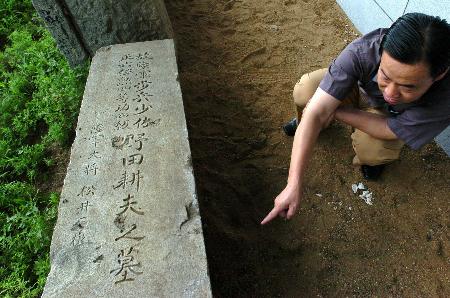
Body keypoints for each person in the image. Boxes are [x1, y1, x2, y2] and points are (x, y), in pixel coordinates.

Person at [261, 12, 450, 225]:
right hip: (357, 91)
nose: (391, 92)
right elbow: (316, 110)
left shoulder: (446, 96)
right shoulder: (365, 49)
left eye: (408, 86)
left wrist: (335, 111)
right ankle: (310, 125)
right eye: (385, 76)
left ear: (440, 75)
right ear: (381, 50)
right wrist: (293, 184)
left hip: (390, 117)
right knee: (306, 92)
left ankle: (370, 159)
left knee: (375, 150)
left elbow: (389, 129)